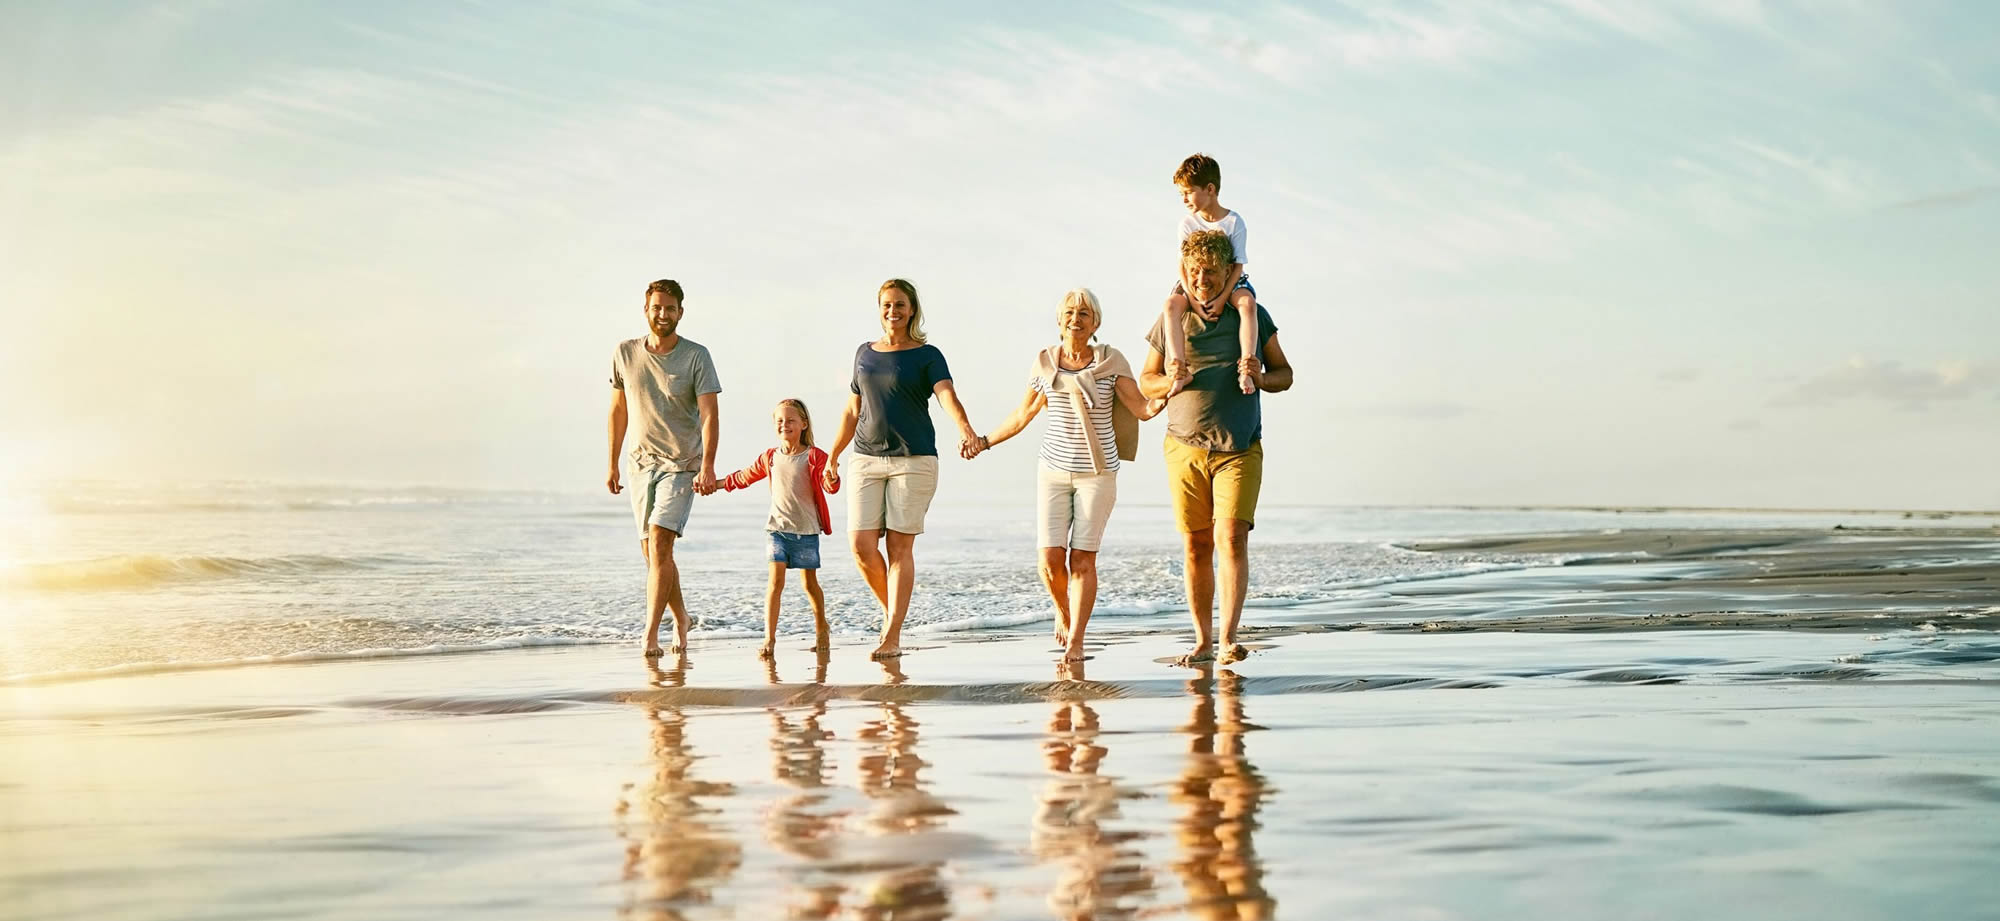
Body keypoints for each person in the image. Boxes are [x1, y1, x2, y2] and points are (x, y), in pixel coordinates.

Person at [972, 288, 1162, 662]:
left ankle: (1076, 640)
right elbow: (1022, 415)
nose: (1076, 319)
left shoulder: (1111, 361)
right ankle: (1063, 611)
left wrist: (1168, 393)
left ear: (1096, 323)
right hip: (1053, 472)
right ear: (1059, 320)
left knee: (1082, 561)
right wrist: (984, 441)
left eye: (1084, 314)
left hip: (1098, 474)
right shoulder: (1044, 363)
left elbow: (1140, 407)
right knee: (1048, 560)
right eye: (1070, 313)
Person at [1140, 231, 1293, 666]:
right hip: (1184, 447)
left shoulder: (1252, 316)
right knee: (1195, 544)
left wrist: (1260, 376)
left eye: (1210, 272)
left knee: (1230, 537)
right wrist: (1171, 382)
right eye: (1193, 272)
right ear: (1183, 274)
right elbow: (1145, 380)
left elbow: (1285, 373)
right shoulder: (1173, 320)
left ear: (1228, 272)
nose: (1201, 280)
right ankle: (1202, 640)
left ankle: (1228, 638)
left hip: (1239, 448)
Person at [822, 278, 982, 659]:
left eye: (900, 305)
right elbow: (851, 409)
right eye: (886, 305)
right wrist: (832, 455)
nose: (892, 312)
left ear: (912, 310)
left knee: (898, 547)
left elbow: (947, 396)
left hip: (914, 460)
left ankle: (892, 633)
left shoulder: (927, 355)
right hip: (865, 458)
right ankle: (894, 614)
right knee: (861, 546)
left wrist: (965, 430)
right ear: (879, 310)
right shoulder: (864, 353)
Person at [606, 278, 723, 658]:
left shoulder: (696, 356)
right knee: (653, 554)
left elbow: (709, 414)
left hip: (681, 463)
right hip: (640, 464)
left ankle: (650, 634)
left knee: (659, 542)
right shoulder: (625, 353)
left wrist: (707, 465)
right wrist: (612, 463)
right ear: (646, 310)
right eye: (656, 307)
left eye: (670, 308)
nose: (663, 314)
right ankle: (682, 618)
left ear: (680, 313)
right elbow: (619, 410)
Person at [718, 399, 836, 659]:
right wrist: (717, 484)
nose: (785, 425)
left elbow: (830, 485)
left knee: (809, 584)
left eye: (791, 420)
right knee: (775, 582)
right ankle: (769, 639)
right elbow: (745, 477)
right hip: (776, 529)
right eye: (780, 421)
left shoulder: (814, 456)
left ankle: (821, 628)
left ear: (804, 424)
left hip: (806, 531)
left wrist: (832, 477)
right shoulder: (770, 457)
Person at [1161, 153, 1262, 398]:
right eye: (1181, 194)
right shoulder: (1187, 223)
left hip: (1230, 282)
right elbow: (1182, 265)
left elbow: (1238, 265)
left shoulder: (1234, 222)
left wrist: (1221, 299)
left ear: (1210, 189)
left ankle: (1246, 368)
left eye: (1188, 192)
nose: (1184, 199)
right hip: (1192, 283)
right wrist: (1193, 300)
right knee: (1171, 306)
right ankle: (1179, 370)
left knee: (1248, 304)